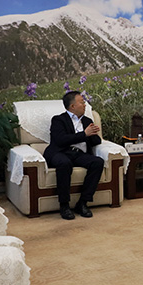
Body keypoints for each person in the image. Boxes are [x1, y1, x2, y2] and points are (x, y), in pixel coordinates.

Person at [43, 91, 104, 220]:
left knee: (97, 162)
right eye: (82, 102)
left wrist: (93, 134)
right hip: (60, 152)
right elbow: (61, 140)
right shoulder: (59, 120)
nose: (85, 105)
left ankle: (83, 203)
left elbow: (95, 141)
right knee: (64, 164)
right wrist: (84, 134)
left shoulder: (87, 121)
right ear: (72, 106)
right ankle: (64, 205)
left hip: (78, 154)